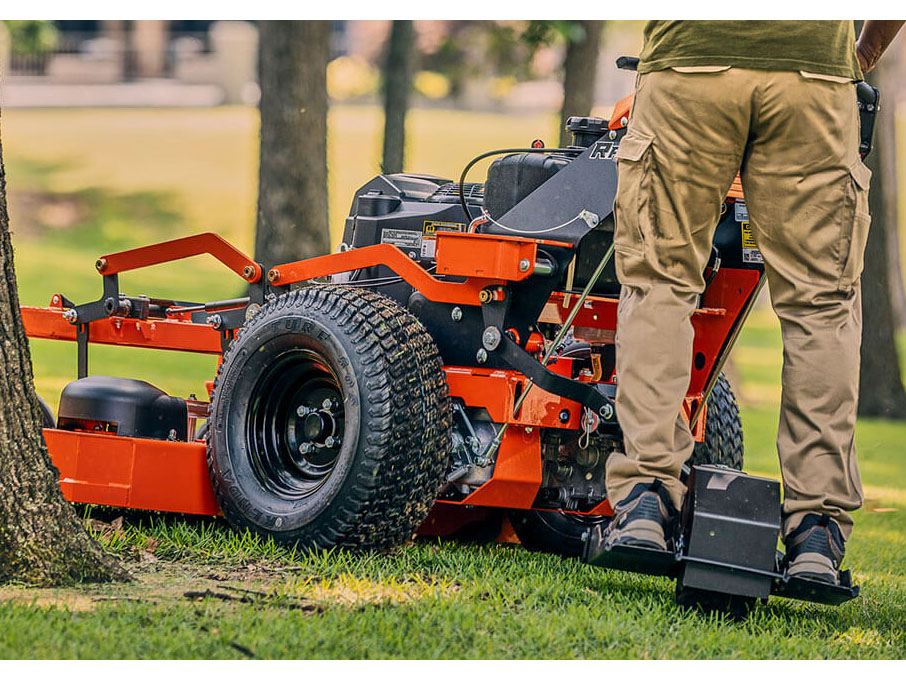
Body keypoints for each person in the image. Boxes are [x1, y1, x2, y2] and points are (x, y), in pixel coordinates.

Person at [601, 20, 904, 583]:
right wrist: (857, 55)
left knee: (660, 283)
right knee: (821, 306)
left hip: (691, 63)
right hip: (813, 73)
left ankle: (647, 497)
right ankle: (817, 529)